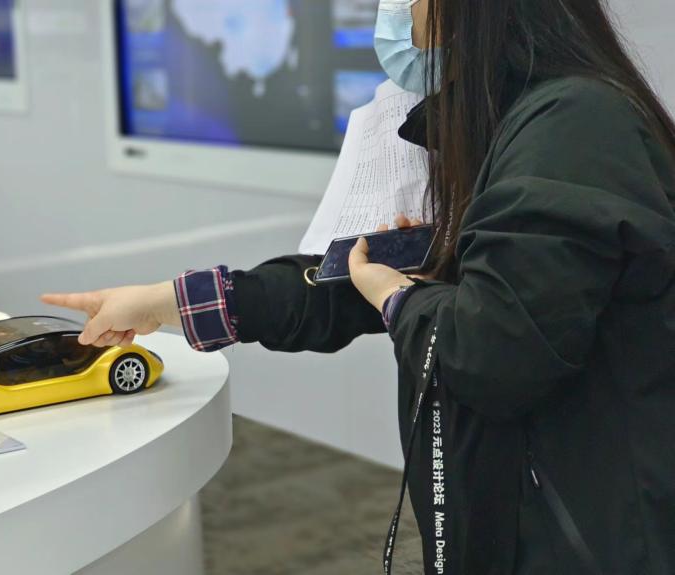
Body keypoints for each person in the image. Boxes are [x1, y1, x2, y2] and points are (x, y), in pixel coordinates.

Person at [43, 0, 675, 572]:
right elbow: (348, 284)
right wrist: (168, 303)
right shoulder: (515, 123)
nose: (395, 11)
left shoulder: (572, 126)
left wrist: (398, 297)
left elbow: (492, 351)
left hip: (587, 531)